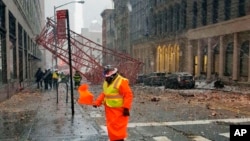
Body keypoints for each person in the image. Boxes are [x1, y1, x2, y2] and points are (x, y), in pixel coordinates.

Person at [93, 65, 133, 141]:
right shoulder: (107, 82)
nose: (105, 78)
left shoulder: (121, 81)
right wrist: (97, 102)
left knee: (118, 128)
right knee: (112, 128)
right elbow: (104, 93)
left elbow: (128, 95)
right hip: (109, 109)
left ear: (112, 76)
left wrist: (126, 108)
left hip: (119, 110)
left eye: (107, 77)